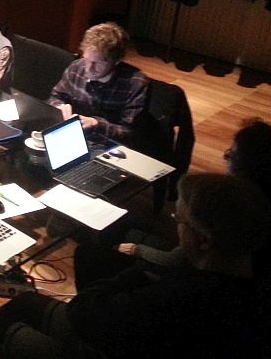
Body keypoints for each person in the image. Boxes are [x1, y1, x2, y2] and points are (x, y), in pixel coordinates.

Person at [0, 173, 271, 358]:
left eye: (180, 221)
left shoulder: (178, 299)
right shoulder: (241, 275)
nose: (175, 224)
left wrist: (137, 270)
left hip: (99, 347)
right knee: (24, 301)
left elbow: (84, 311)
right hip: (122, 334)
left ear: (203, 240)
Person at [75, 117, 271, 288]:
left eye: (232, 154)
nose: (225, 156)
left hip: (185, 274)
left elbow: (178, 260)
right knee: (129, 227)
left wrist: (136, 250)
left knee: (89, 254)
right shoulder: (254, 198)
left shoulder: (232, 206)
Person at [48, 22, 148, 144]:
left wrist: (96, 124)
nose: (89, 68)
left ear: (116, 61)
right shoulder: (76, 68)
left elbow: (130, 133)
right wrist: (58, 107)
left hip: (108, 145)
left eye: (98, 63)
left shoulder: (136, 84)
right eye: (86, 59)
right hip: (74, 138)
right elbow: (56, 96)